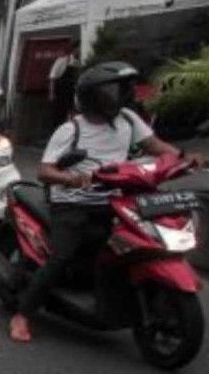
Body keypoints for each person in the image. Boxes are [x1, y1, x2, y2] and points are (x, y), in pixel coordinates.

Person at [10, 62, 192, 342]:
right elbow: (44, 171)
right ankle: (22, 315)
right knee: (61, 257)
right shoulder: (71, 130)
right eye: (113, 91)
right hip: (73, 202)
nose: (120, 96)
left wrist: (183, 157)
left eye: (122, 90)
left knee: (139, 243)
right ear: (93, 96)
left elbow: (154, 146)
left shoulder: (128, 120)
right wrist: (71, 179)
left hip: (116, 198)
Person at [48, 42, 81, 123]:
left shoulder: (78, 62)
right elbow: (52, 77)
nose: (80, 51)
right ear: (75, 49)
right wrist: (51, 93)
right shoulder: (62, 60)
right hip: (61, 91)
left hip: (72, 90)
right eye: (79, 48)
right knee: (59, 114)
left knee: (73, 112)